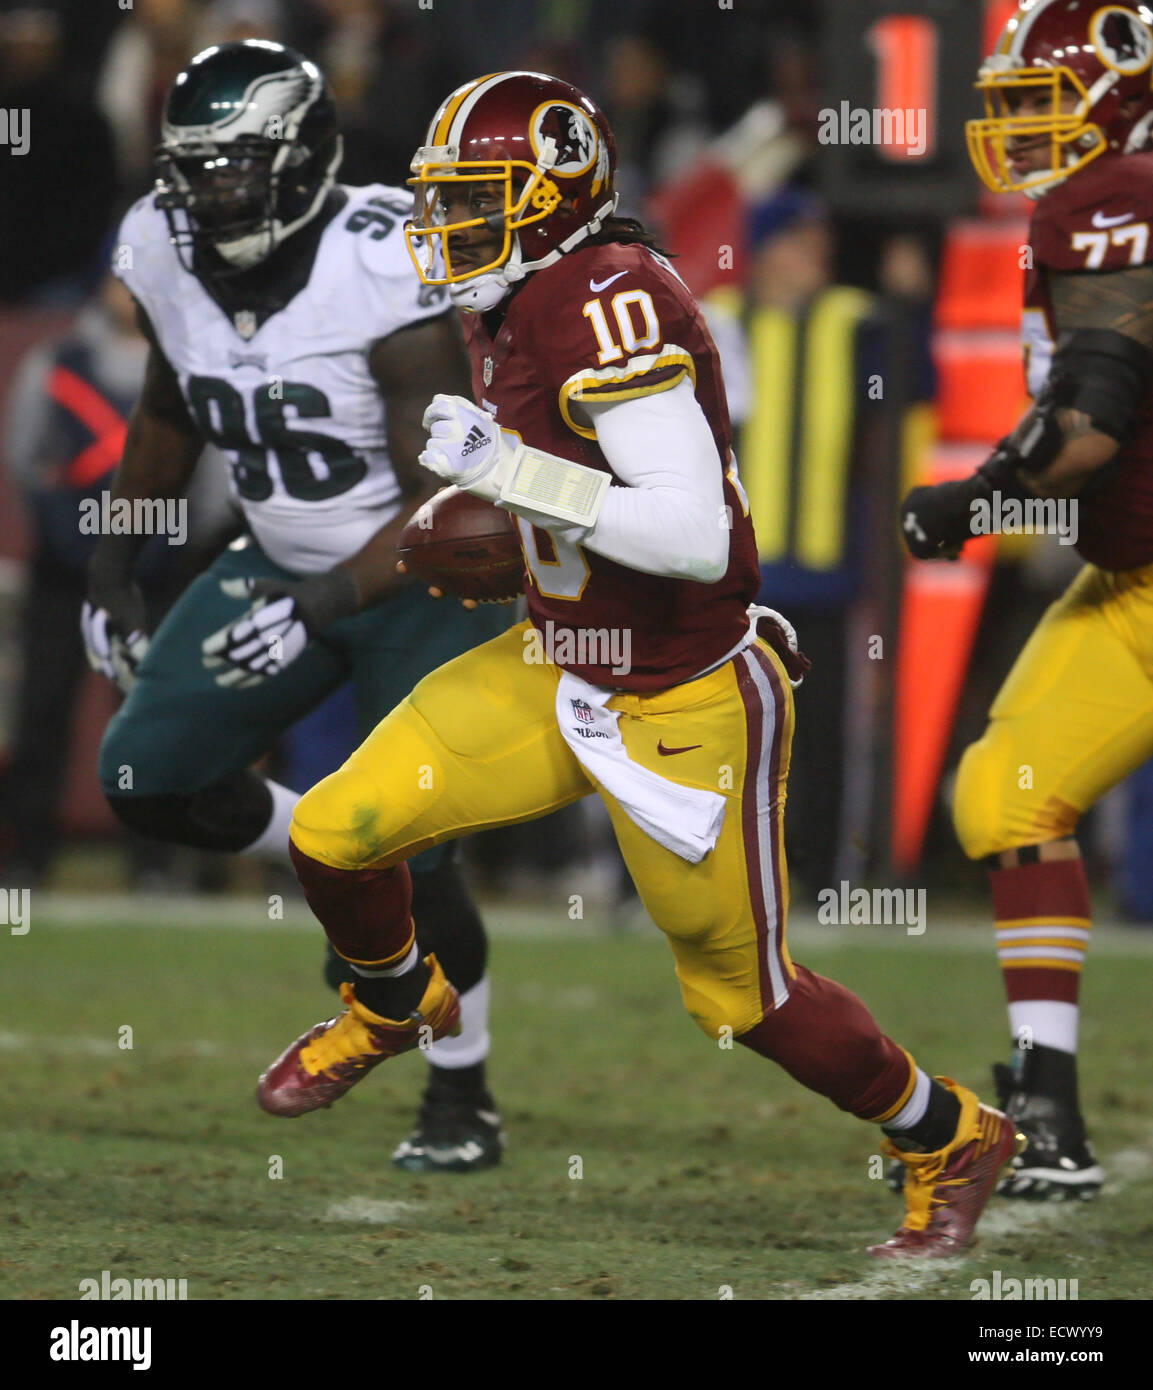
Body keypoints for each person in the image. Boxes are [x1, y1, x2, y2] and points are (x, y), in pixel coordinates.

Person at [258, 69, 1020, 1258]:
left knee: (740, 1000)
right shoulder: (514, 291)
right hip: (559, 658)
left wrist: (505, 478)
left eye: (474, 198)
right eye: (441, 199)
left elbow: (689, 533)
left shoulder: (606, 296)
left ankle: (946, 1130)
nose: (443, 226)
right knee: (333, 830)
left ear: (554, 197)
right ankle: (396, 1002)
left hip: (683, 691)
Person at [83, 40, 508, 1173]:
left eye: (240, 165)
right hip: (277, 557)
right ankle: (314, 840)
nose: (215, 192)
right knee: (145, 776)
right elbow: (173, 397)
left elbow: (439, 496)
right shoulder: (160, 248)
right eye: (198, 169)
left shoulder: (383, 260)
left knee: (414, 854)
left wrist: (320, 602)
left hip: (418, 574)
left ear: (305, 154)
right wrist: (115, 566)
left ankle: (463, 1095)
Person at [900, 0, 1153, 1199]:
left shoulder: (1111, 198)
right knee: (1007, 792)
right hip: (1129, 583)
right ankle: (1045, 1106)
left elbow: (1092, 414)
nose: (1023, 132)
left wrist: (968, 499)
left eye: (1041, 104)